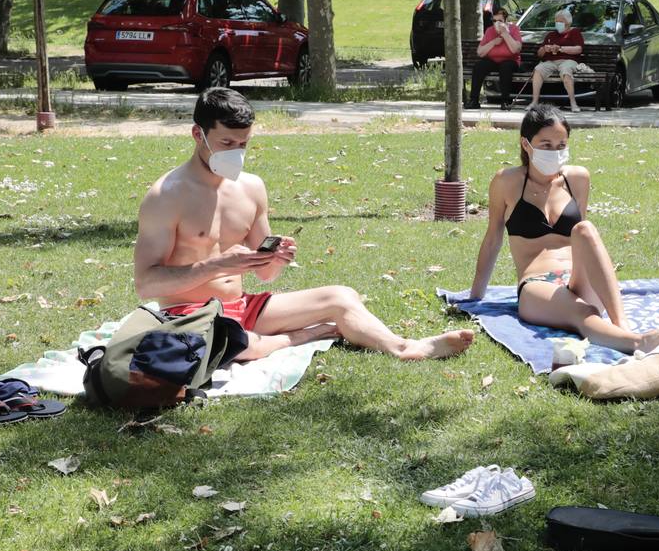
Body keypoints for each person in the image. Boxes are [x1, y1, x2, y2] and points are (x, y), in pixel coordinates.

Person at [133, 87, 475, 362]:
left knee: (341, 297)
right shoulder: (166, 195)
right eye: (226, 144)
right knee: (238, 343)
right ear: (198, 134)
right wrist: (215, 265)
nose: (236, 152)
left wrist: (276, 258)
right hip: (190, 316)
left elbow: (265, 275)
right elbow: (147, 284)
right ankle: (304, 335)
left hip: (243, 307)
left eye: (243, 144)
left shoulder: (251, 188)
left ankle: (405, 348)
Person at [468, 104, 659, 352]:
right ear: (525, 144)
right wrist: (475, 296)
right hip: (538, 285)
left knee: (585, 229)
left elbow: (583, 241)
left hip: (580, 277)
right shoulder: (506, 181)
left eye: (561, 145)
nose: (555, 152)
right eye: (546, 145)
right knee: (583, 312)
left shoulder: (578, 178)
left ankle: (620, 324)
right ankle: (637, 342)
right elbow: (492, 238)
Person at [468, 5, 522, 110]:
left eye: (500, 21)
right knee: (479, 66)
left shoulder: (514, 29)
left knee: (505, 67)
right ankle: (473, 100)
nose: (496, 23)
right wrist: (493, 42)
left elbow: (515, 50)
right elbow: (480, 52)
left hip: (510, 61)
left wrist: (505, 34)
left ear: (506, 21)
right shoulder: (489, 31)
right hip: (493, 61)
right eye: (494, 21)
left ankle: (505, 101)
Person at [530, 9, 584, 112]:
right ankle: (534, 102)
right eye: (556, 21)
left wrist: (560, 48)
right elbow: (540, 54)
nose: (557, 23)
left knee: (566, 71)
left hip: (568, 60)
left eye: (560, 21)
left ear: (568, 22)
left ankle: (573, 103)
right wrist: (544, 49)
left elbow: (579, 49)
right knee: (538, 69)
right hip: (551, 61)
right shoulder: (551, 35)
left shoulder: (574, 32)